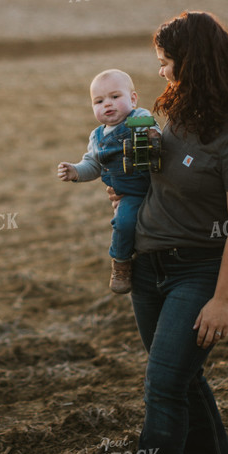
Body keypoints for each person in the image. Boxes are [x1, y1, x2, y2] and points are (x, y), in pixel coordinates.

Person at [111, 11, 228, 454]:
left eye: (167, 63)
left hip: (199, 274)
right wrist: (125, 191)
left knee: (162, 388)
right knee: (182, 380)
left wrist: (222, 299)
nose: (161, 72)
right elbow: (159, 180)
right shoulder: (172, 112)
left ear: (193, 62)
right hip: (148, 269)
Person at [57, 69, 160, 294]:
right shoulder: (97, 137)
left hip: (157, 186)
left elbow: (153, 132)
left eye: (115, 97)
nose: (107, 104)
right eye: (99, 101)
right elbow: (93, 165)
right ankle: (121, 263)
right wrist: (76, 171)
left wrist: (150, 134)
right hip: (129, 194)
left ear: (132, 99)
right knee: (123, 224)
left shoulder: (138, 117)